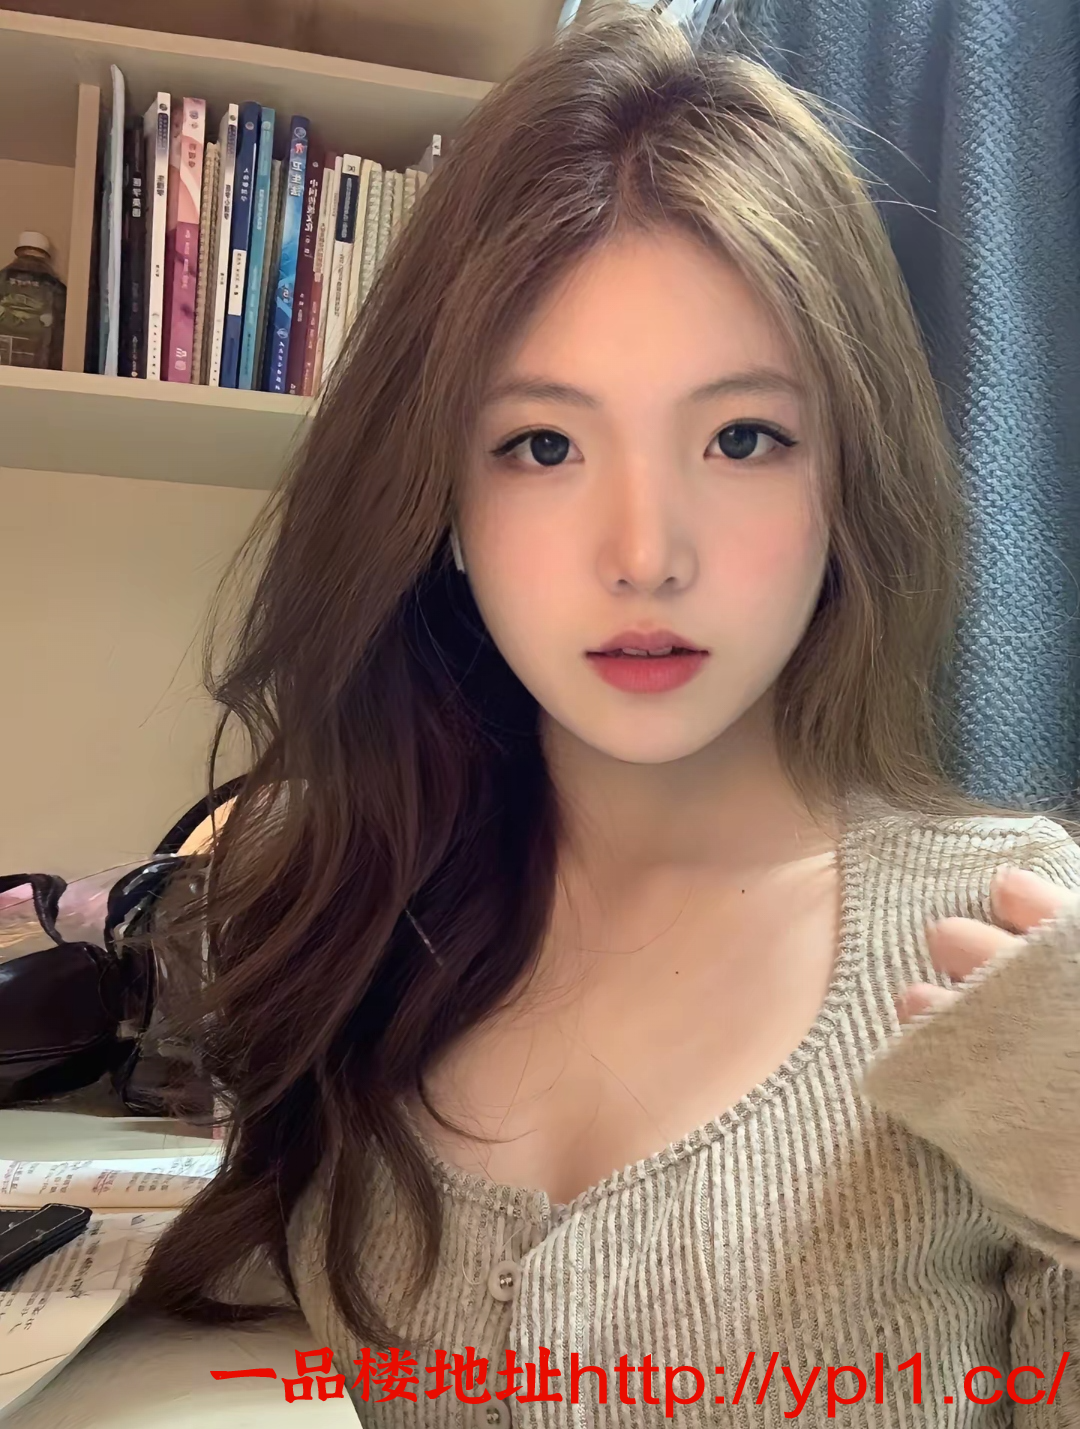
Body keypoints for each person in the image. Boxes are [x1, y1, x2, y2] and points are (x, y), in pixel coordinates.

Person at [134, 5, 1080, 1425]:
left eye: (743, 438)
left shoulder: (1014, 943)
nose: (646, 554)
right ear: (441, 502)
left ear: (849, 479)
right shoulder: (348, 910)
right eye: (543, 444)